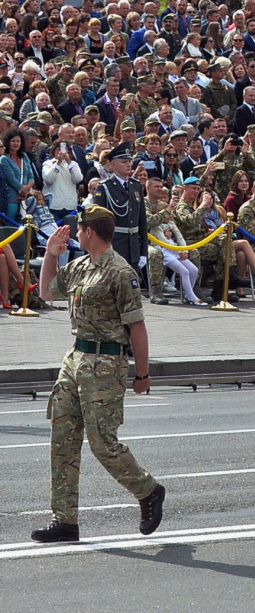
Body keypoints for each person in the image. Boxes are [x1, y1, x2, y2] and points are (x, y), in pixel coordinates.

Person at [31, 206, 166, 543]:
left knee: (103, 444)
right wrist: (50, 254)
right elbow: (46, 291)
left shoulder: (120, 272)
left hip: (106, 365)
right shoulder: (79, 266)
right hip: (75, 358)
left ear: (90, 232)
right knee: (62, 440)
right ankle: (65, 520)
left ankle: (148, 490)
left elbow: (136, 326)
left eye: (79, 229)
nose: (75, 234)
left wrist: (142, 374)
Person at [92, 142, 150, 281]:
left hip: (133, 247)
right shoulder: (104, 188)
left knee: (131, 289)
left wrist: (143, 252)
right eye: (124, 161)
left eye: (129, 161)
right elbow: (99, 223)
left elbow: (142, 220)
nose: (129, 164)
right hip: (114, 245)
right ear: (112, 164)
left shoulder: (135, 186)